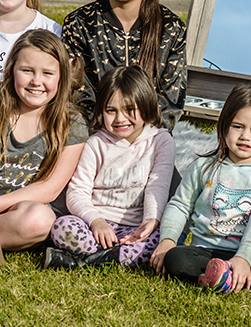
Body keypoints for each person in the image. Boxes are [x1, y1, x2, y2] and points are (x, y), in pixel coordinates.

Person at [150, 85, 251, 295]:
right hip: (207, 253)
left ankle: (230, 276)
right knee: (175, 259)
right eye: (237, 126)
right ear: (224, 126)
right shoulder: (202, 167)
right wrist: (167, 240)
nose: (245, 136)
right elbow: (180, 205)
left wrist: (243, 257)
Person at [0, 29, 88, 265]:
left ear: (61, 77)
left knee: (39, 220)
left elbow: (50, 188)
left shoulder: (72, 123)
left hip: (18, 213)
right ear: (12, 70)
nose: (37, 81)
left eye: (47, 73)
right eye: (27, 71)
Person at [44, 65, 175, 270]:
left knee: (162, 240)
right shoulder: (96, 143)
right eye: (111, 110)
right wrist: (96, 221)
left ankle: (81, 262)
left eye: (129, 109)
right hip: (95, 225)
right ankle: (112, 258)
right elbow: (77, 192)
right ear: (101, 111)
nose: (120, 118)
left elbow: (157, 186)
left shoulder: (160, 140)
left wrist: (151, 221)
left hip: (135, 228)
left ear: (146, 105)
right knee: (63, 228)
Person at [61, 0, 187, 130]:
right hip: (95, 136)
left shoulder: (170, 28)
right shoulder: (79, 23)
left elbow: (171, 99)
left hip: (150, 139)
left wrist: (139, 136)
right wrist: (108, 133)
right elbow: (78, 93)